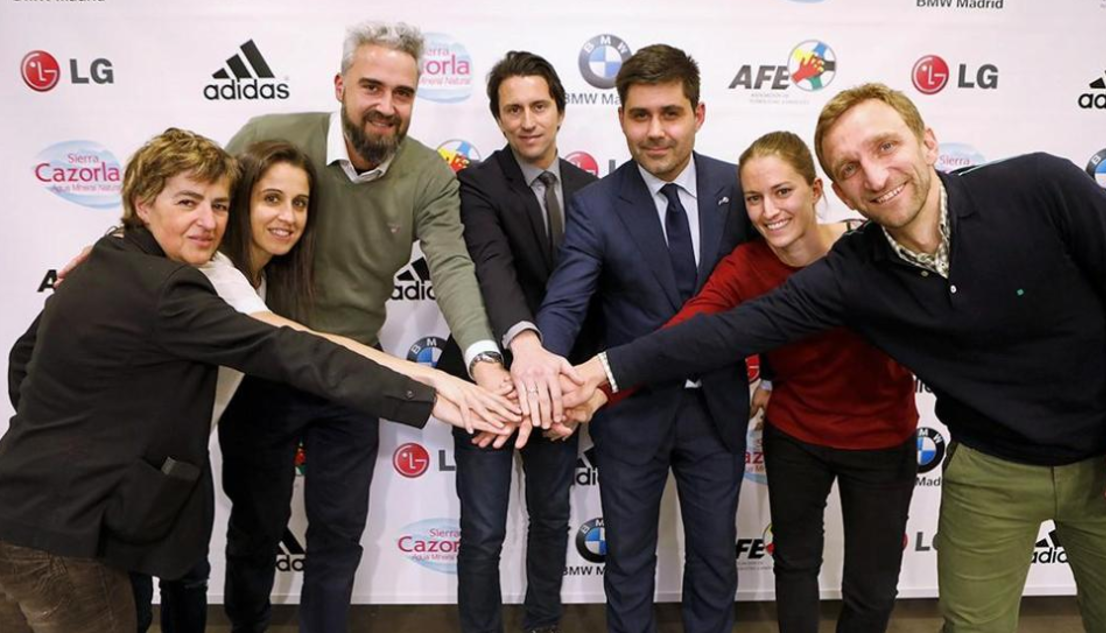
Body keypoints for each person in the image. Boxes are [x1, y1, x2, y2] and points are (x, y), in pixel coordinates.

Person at [572, 83, 1106, 633]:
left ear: (928, 142)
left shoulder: (1040, 185)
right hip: (989, 466)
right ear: (837, 187)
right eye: (850, 167)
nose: (876, 177)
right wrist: (602, 371)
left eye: (885, 147)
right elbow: (727, 329)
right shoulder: (852, 272)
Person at [0, 128, 508, 633]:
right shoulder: (171, 287)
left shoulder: (117, 260)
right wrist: (428, 391)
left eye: (219, 205)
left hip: (40, 509)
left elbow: (25, 362)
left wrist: (77, 442)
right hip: (60, 536)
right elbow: (286, 347)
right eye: (188, 202)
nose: (207, 220)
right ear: (143, 204)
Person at [219, 21, 513, 633]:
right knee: (254, 527)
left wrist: (484, 360)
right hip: (266, 361)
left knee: (339, 532)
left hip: (357, 370)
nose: (386, 106)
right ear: (341, 85)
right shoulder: (268, 137)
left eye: (402, 93)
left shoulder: (429, 173)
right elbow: (201, 207)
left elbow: (453, 265)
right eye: (371, 87)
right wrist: (122, 239)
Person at [602, 130, 918, 632]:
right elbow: (690, 329)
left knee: (872, 586)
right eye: (753, 198)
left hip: (882, 440)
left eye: (782, 192)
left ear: (816, 191)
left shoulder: (871, 246)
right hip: (797, 438)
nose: (768, 211)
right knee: (794, 567)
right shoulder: (746, 265)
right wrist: (601, 381)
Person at [516, 44, 754, 633]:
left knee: (715, 562)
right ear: (620, 117)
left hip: (718, 409)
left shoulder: (739, 189)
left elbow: (771, 292)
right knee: (626, 564)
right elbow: (567, 301)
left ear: (699, 114)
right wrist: (542, 364)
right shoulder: (595, 205)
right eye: (640, 115)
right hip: (632, 411)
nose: (655, 131)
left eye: (670, 113)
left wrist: (770, 373)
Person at [429, 51, 601, 633]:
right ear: (498, 119)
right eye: (513, 110)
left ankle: (542, 625)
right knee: (482, 530)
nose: (527, 120)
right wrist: (517, 360)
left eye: (538, 106)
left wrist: (569, 387)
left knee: (552, 520)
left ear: (560, 110)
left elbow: (595, 294)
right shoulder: (476, 185)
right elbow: (491, 271)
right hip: (489, 385)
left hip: (557, 386)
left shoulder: (593, 190)